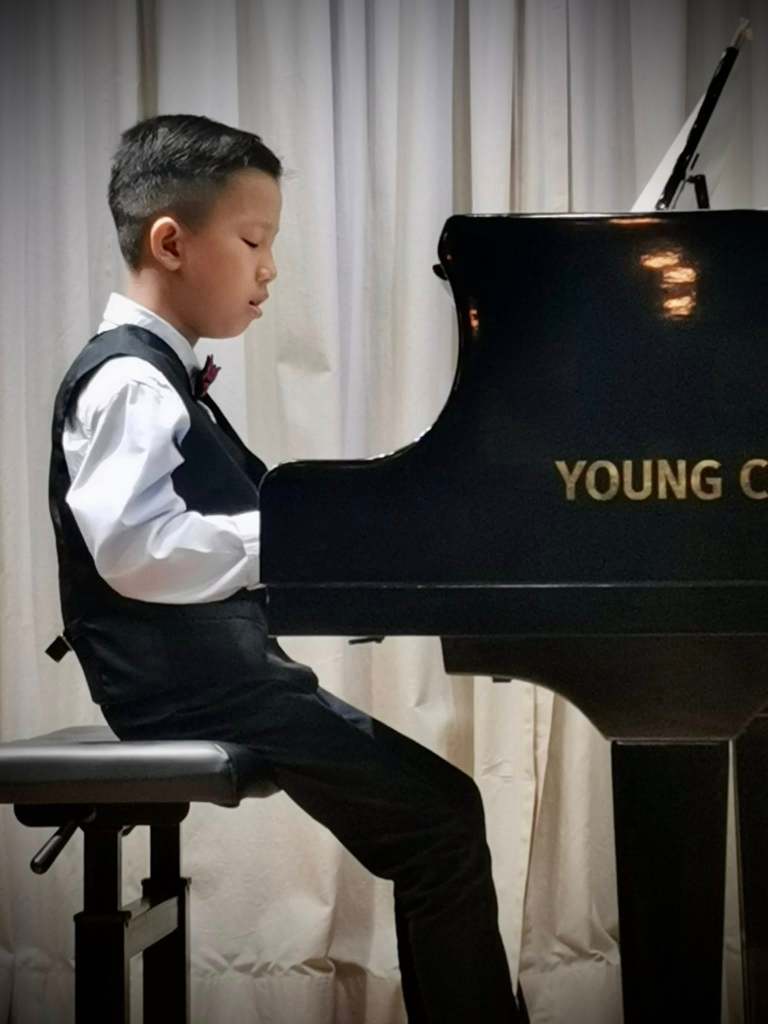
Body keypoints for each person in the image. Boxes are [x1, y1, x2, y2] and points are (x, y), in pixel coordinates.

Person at [47, 114, 523, 1024]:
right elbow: (133, 551)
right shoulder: (131, 383)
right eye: (254, 240)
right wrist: (302, 541)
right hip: (192, 691)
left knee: (442, 815)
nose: (270, 269)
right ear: (171, 243)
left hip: (217, 683)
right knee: (442, 821)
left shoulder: (164, 377)